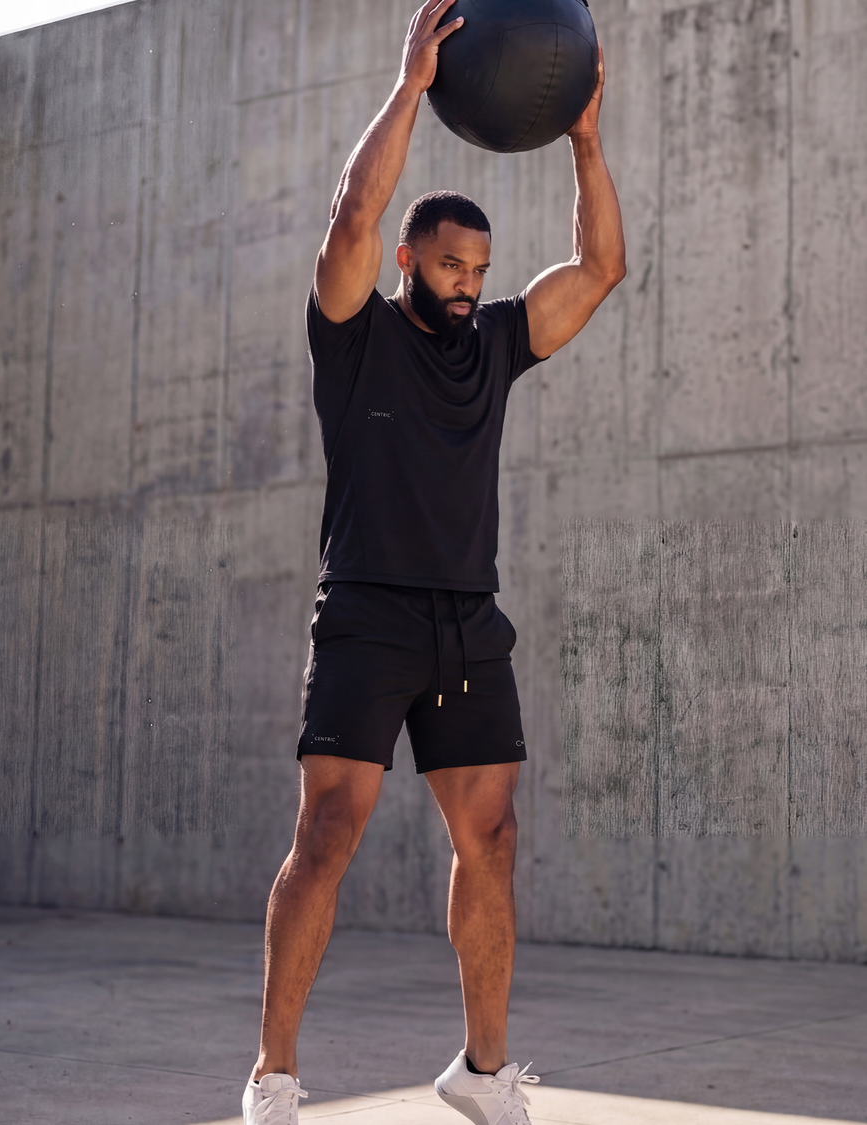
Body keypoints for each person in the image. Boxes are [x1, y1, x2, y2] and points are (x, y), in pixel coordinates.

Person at [242, 1, 625, 1121]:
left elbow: (601, 266)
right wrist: (411, 86)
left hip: (468, 622)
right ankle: (272, 1075)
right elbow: (351, 211)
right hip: (366, 612)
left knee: (492, 839)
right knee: (327, 835)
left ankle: (483, 1070)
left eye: (478, 268)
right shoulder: (352, 332)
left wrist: (585, 138)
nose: (466, 282)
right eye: (449, 264)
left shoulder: (497, 342)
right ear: (408, 260)